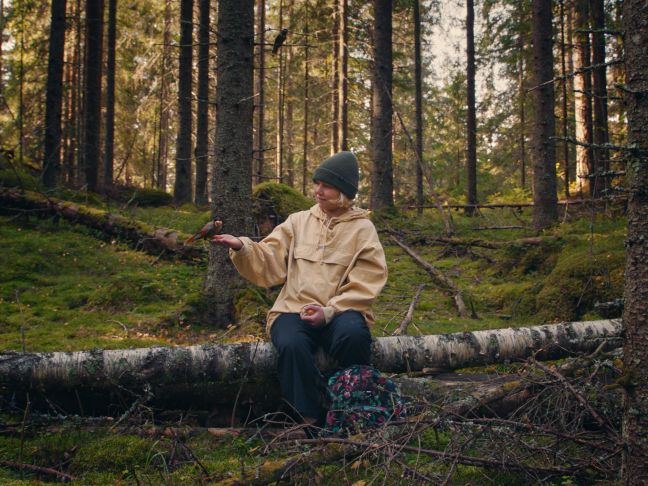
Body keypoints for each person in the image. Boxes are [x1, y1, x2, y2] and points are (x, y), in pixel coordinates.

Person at [212, 151, 388, 426]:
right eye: (316, 183)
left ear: (343, 192)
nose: (317, 191)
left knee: (354, 335)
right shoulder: (298, 221)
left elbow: (367, 281)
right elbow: (269, 260)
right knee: (291, 344)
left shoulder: (363, 229)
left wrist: (329, 312)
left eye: (326, 186)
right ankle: (309, 420)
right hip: (293, 308)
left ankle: (351, 410)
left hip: (340, 311)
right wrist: (241, 246)